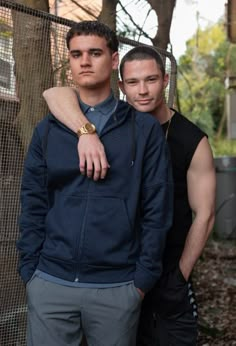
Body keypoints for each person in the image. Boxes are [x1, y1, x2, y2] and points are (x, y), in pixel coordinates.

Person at [43, 45, 216, 345]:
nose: (143, 91)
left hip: (165, 278)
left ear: (165, 80)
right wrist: (86, 133)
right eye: (133, 83)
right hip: (113, 276)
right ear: (120, 85)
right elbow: (54, 93)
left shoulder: (191, 139)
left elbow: (206, 214)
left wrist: (179, 277)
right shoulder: (103, 128)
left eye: (151, 80)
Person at [17, 22, 173, 346]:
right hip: (50, 281)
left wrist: (141, 281)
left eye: (94, 53)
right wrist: (31, 270)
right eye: (76, 54)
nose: (84, 61)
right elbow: (33, 201)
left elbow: (157, 208)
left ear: (114, 60)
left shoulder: (144, 130)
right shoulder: (48, 130)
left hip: (117, 287)